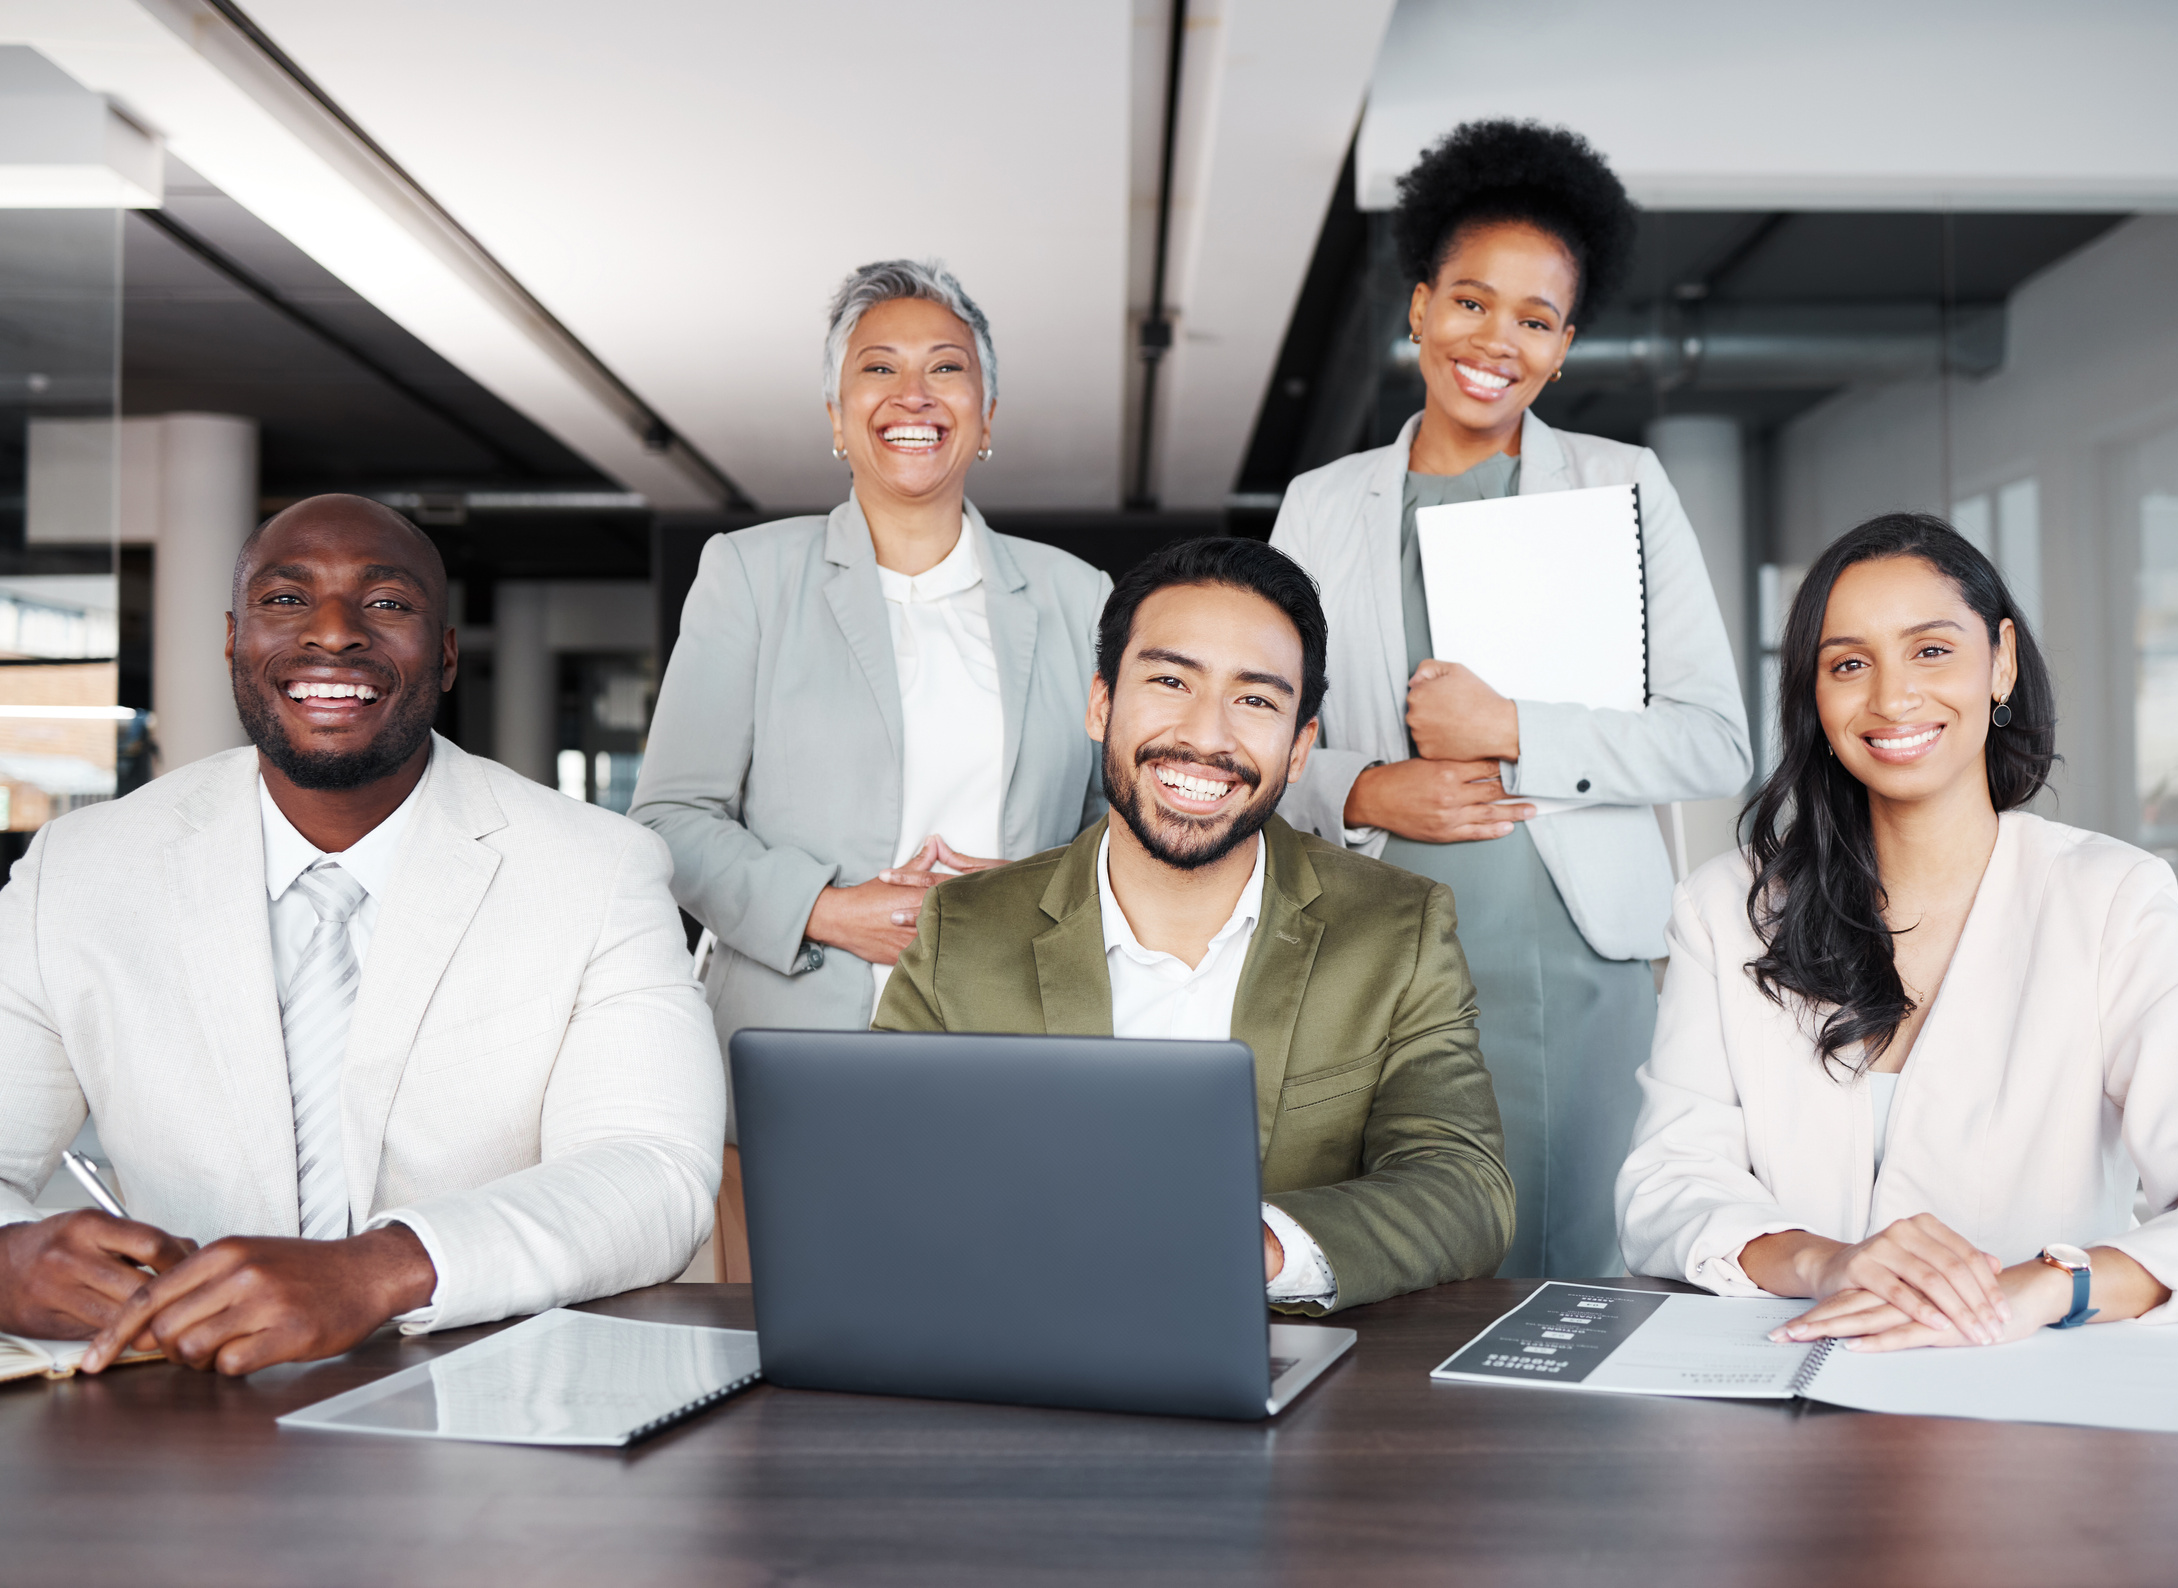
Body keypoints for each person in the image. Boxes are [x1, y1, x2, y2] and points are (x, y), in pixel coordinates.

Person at [0, 495, 722, 1376]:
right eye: (285, 600)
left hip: (487, 1404)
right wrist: (8, 1259)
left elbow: (652, 1174)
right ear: (232, 642)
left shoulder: (598, 869)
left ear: (446, 655)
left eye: (386, 604)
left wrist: (377, 1271)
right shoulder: (80, 871)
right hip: (182, 1415)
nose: (333, 634)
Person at [1618, 513, 2178, 1348]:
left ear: (1999, 661)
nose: (1892, 697)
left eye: (1931, 650)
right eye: (1848, 664)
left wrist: (2039, 1288)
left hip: (2029, 1399)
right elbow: (1665, 1185)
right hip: (1789, 1391)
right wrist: (1826, 1263)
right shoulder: (1723, 908)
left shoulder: (2110, 900)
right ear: (1814, 699)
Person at [1269, 120, 1750, 1281]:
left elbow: (1715, 741)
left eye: (1534, 320)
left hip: (1568, 959)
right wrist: (1374, 784)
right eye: (1471, 303)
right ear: (1419, 307)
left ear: (1565, 344)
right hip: (1372, 942)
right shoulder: (1320, 503)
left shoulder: (1621, 485)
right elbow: (1263, 743)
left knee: (1559, 1273)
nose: (1497, 342)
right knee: (1385, 1264)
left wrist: (1514, 733)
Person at [875, 537, 1514, 1313]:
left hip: (1281, 1374)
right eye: (1171, 681)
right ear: (1100, 704)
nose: (1206, 737)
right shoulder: (963, 932)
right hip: (1023, 1359)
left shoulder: (1398, 928)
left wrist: (1255, 1247)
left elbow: (1464, 1185)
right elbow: (879, 1169)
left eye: (1255, 700)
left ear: (1301, 745)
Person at [630, 260, 1110, 1278]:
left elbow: (1114, 833)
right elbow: (669, 816)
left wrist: (1023, 897)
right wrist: (832, 909)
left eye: (946, 369)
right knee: (785, 1363)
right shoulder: (752, 577)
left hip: (1009, 1033)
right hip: (792, 1037)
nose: (912, 395)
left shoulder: (1078, 599)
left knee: (988, 1336)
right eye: (877, 368)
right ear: (837, 416)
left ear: (984, 416)